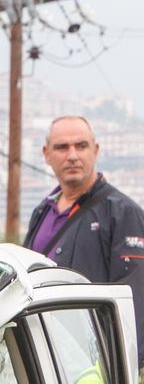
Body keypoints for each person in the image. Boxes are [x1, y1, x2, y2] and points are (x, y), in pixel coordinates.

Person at [25, 116, 144, 342]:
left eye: (81, 146)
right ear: (46, 154)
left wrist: (124, 367)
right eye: (62, 147)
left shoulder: (123, 214)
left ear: (95, 150)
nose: (72, 156)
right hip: (45, 358)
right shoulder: (42, 213)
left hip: (97, 360)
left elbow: (135, 301)